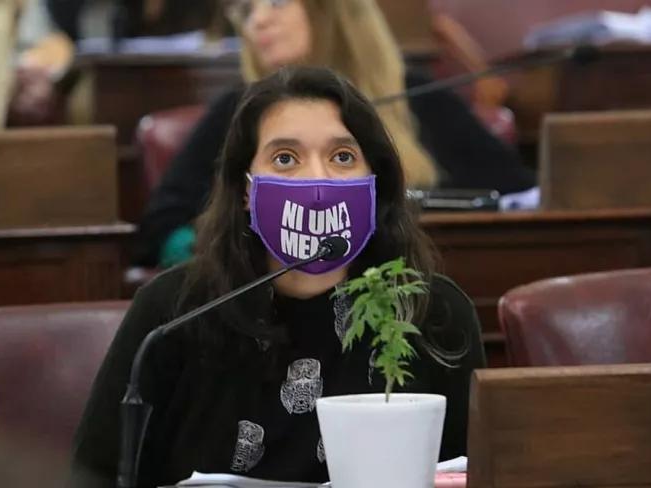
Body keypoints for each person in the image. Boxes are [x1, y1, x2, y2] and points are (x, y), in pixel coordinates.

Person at [69, 66, 485, 487]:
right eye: (285, 159)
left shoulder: (431, 312)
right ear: (247, 190)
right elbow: (93, 475)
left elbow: (475, 471)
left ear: (374, 183)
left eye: (342, 157)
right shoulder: (173, 314)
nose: (317, 181)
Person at [133, 0, 534, 267]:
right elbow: (161, 228)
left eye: (275, 1)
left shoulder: (419, 99)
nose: (258, 20)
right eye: (246, 8)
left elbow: (519, 197)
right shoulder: (236, 114)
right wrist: (239, 256)